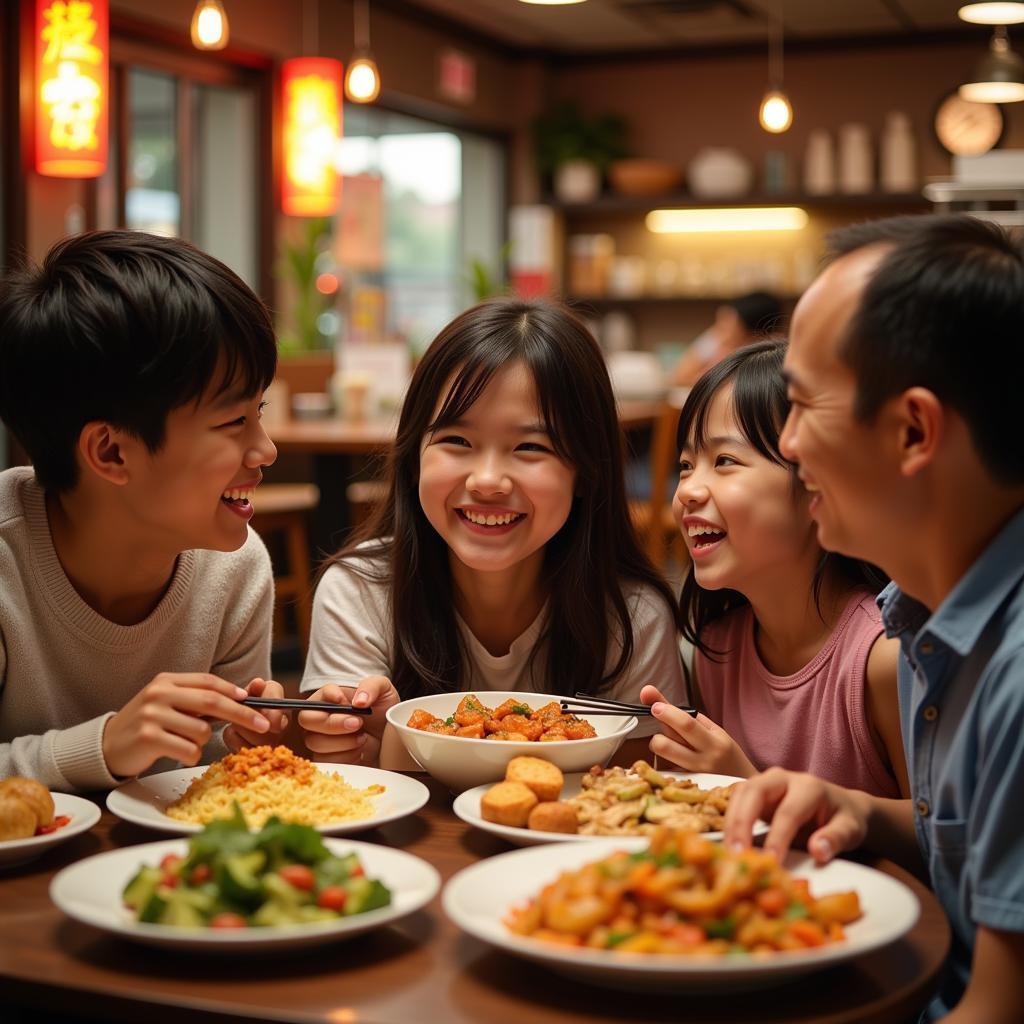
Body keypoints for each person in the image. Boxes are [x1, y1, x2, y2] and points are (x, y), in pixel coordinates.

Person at [723, 214, 1024, 1023]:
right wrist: (858, 809)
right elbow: (978, 837)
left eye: (799, 405)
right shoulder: (935, 616)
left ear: (914, 430)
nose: (785, 445)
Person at [297, 297, 687, 766]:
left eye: (529, 446)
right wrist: (369, 735)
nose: (486, 480)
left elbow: (635, 786)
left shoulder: (631, 617)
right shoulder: (359, 590)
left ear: (585, 470)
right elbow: (348, 786)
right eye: (456, 441)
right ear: (414, 452)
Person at [0, 230, 287, 792]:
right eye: (234, 422)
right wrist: (101, 747)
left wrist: (245, 740)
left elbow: (213, 781)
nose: (266, 450)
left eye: (261, 411)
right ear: (110, 451)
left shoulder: (235, 567)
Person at [641, 341, 907, 798]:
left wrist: (748, 784)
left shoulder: (883, 659)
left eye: (724, 461)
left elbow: (942, 846)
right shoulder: (717, 651)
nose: (687, 490)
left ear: (815, 485)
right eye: (685, 466)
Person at [671, 290, 784, 387]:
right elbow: (680, 377)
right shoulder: (719, 342)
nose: (719, 327)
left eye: (728, 322)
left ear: (750, 330)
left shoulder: (770, 352)